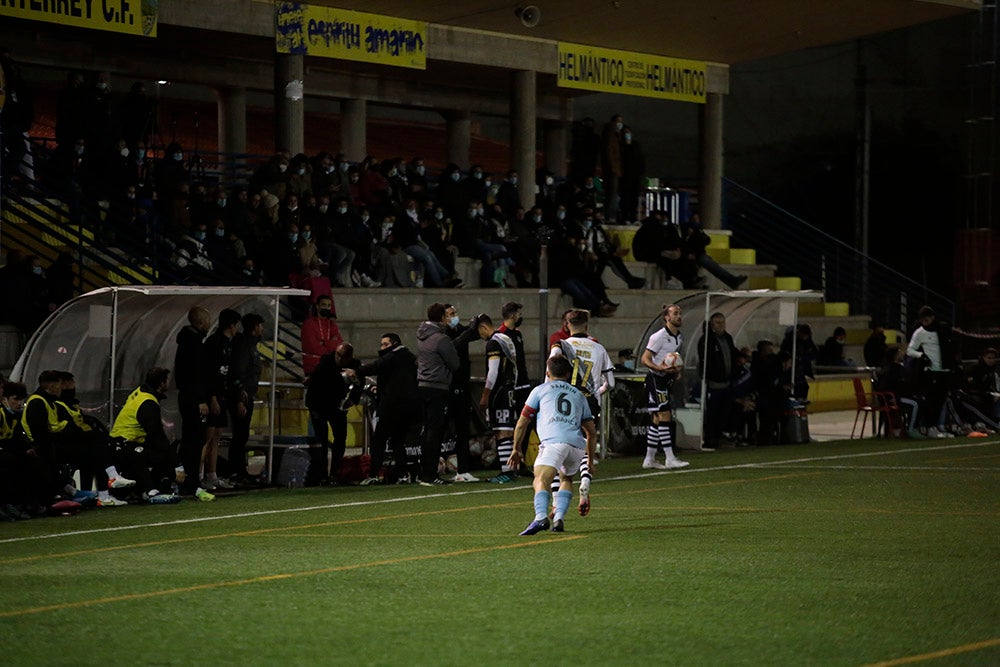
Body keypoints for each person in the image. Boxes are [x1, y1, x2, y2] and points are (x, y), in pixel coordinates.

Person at [509, 355, 597, 535]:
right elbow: (591, 432)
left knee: (541, 478)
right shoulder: (579, 395)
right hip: (576, 446)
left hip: (553, 443)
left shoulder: (540, 390)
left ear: (547, 372)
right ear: (568, 374)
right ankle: (558, 519)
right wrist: (590, 460)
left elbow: (522, 423)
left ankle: (541, 517)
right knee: (566, 479)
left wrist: (516, 449)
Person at [548, 309, 612, 505]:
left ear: (567, 325)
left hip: (564, 399)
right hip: (589, 401)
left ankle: (556, 499)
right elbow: (610, 382)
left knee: (560, 445)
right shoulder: (598, 348)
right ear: (586, 325)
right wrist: (596, 393)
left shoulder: (562, 345)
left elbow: (549, 370)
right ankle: (585, 478)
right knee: (585, 440)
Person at [108, 367, 189, 504]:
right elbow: (157, 436)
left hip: (121, 442)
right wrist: (177, 465)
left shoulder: (140, 392)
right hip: (124, 444)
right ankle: (151, 491)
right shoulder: (148, 403)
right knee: (153, 455)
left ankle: (142, 490)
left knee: (155, 454)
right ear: (162, 383)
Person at [349, 332, 420, 485]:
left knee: (379, 440)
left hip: (392, 406)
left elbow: (376, 366)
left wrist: (356, 371)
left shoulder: (394, 356)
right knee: (398, 441)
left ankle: (374, 474)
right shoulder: (410, 356)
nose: (382, 347)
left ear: (394, 344)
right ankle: (402, 475)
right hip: (409, 406)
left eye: (385, 344)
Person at [444, 305, 494, 482]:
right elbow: (455, 345)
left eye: (455, 313)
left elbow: (473, 334)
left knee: (462, 430)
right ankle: (428, 471)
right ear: (443, 318)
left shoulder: (459, 330)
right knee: (439, 429)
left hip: (462, 386)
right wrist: (470, 330)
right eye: (451, 314)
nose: (455, 316)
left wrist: (479, 324)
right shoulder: (441, 335)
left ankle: (463, 470)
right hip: (447, 387)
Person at [482, 301, 530, 483]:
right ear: (512, 315)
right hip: (511, 388)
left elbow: (498, 369)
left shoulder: (509, 336)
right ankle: (512, 466)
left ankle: (513, 466)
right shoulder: (503, 337)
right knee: (510, 427)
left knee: (513, 427)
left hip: (513, 387)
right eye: (518, 314)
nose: (520, 317)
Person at [640, 304, 689, 470]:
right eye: (675, 313)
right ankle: (669, 457)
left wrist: (677, 370)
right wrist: (659, 368)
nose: (679, 316)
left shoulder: (679, 337)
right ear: (666, 318)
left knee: (657, 418)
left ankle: (649, 459)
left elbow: (674, 358)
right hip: (656, 379)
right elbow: (645, 359)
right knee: (665, 415)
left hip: (666, 379)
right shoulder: (659, 336)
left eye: (680, 313)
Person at [416, 303, 460, 486]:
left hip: (422, 386)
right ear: (442, 317)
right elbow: (455, 364)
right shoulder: (441, 339)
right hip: (437, 388)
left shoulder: (422, 335)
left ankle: (424, 473)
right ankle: (430, 475)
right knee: (434, 433)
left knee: (427, 432)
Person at [305, 342, 361, 486]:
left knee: (340, 437)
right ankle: (321, 474)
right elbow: (317, 378)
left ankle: (335, 472)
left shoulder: (354, 365)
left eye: (342, 356)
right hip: (319, 404)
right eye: (337, 354)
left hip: (336, 406)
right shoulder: (326, 362)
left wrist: (352, 400)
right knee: (321, 440)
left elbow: (359, 383)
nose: (338, 358)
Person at [202, 308, 241, 490]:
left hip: (221, 395)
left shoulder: (228, 343)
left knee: (216, 436)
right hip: (213, 397)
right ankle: (198, 476)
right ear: (231, 325)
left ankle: (212, 475)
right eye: (236, 325)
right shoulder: (214, 343)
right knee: (207, 437)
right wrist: (212, 398)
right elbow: (209, 373)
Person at [174, 306, 211, 496]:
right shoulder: (193, 344)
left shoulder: (188, 341)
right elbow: (193, 375)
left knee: (192, 439)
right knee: (195, 440)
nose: (210, 322)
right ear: (200, 322)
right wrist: (200, 400)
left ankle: (188, 479)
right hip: (193, 399)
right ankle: (191, 481)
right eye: (207, 319)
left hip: (188, 397)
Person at [905, 306, 956, 437]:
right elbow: (910, 350)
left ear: (933, 317)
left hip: (944, 370)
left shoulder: (942, 329)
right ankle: (930, 426)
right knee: (931, 401)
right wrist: (921, 356)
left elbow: (951, 347)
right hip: (931, 371)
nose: (925, 320)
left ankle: (938, 426)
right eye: (922, 317)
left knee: (941, 400)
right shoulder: (919, 332)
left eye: (927, 316)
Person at [227, 312, 265, 483]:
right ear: (256, 327)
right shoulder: (244, 345)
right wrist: (239, 399)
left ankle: (239, 470)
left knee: (242, 434)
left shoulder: (248, 344)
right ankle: (236, 471)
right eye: (260, 325)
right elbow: (239, 371)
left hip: (246, 395)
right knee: (239, 434)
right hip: (242, 396)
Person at [695, 312, 741, 449]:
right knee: (713, 413)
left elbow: (732, 354)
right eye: (718, 322)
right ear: (712, 325)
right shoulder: (706, 340)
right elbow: (706, 361)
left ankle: (720, 437)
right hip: (713, 384)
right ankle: (710, 439)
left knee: (724, 412)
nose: (721, 325)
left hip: (726, 383)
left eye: (723, 322)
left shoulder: (728, 338)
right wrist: (710, 375)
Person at [300, 294, 343, 377]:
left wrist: (324, 342)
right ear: (317, 306)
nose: (326, 308)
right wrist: (331, 344)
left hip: (330, 367)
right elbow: (312, 348)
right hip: (313, 367)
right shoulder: (309, 324)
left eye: (329, 305)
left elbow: (340, 345)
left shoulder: (332, 325)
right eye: (323, 305)